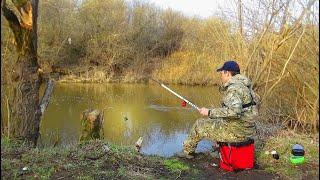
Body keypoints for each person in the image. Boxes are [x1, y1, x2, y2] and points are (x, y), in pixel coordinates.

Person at [177, 60, 259, 159]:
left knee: (199, 125)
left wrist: (209, 112)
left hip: (237, 132)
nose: (221, 76)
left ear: (227, 73)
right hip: (248, 130)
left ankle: (187, 152)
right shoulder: (245, 86)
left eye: (222, 73)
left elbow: (235, 112)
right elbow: (255, 104)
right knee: (218, 121)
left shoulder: (234, 88)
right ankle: (221, 150)